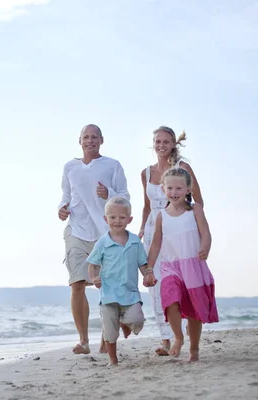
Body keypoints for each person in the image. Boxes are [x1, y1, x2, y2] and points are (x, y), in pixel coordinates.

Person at [58, 124, 130, 355]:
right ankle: (83, 340)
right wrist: (61, 208)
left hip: (105, 234)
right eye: (86, 137)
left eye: (94, 137)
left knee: (107, 287)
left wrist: (109, 193)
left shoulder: (112, 165)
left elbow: (125, 197)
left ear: (101, 140)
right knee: (77, 284)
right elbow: (66, 195)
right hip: (77, 231)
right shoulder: (70, 167)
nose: (90, 141)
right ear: (79, 140)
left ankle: (106, 337)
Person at [138, 126, 204, 356]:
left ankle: (186, 331)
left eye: (166, 141)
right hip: (152, 230)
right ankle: (166, 338)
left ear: (174, 144)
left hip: (177, 227)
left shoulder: (182, 168)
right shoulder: (145, 173)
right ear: (153, 143)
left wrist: (194, 228)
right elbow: (146, 206)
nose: (161, 145)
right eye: (158, 141)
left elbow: (198, 201)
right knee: (156, 283)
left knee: (183, 280)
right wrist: (140, 229)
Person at [146, 167, 218, 362]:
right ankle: (178, 336)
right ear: (163, 189)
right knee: (170, 300)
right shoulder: (161, 215)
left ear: (188, 190)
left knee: (195, 310)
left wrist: (205, 247)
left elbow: (206, 232)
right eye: (170, 188)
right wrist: (149, 269)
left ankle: (194, 348)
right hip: (171, 267)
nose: (174, 192)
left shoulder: (195, 210)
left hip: (193, 266)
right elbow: (155, 244)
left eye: (179, 188)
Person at [87, 197, 157, 366]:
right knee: (110, 331)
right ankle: (113, 359)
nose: (117, 221)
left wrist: (147, 274)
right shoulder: (102, 242)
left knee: (137, 320)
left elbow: (142, 263)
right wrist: (94, 277)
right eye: (112, 217)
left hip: (130, 293)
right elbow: (93, 264)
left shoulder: (134, 242)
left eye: (121, 217)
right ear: (106, 219)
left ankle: (125, 323)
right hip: (109, 294)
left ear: (129, 219)